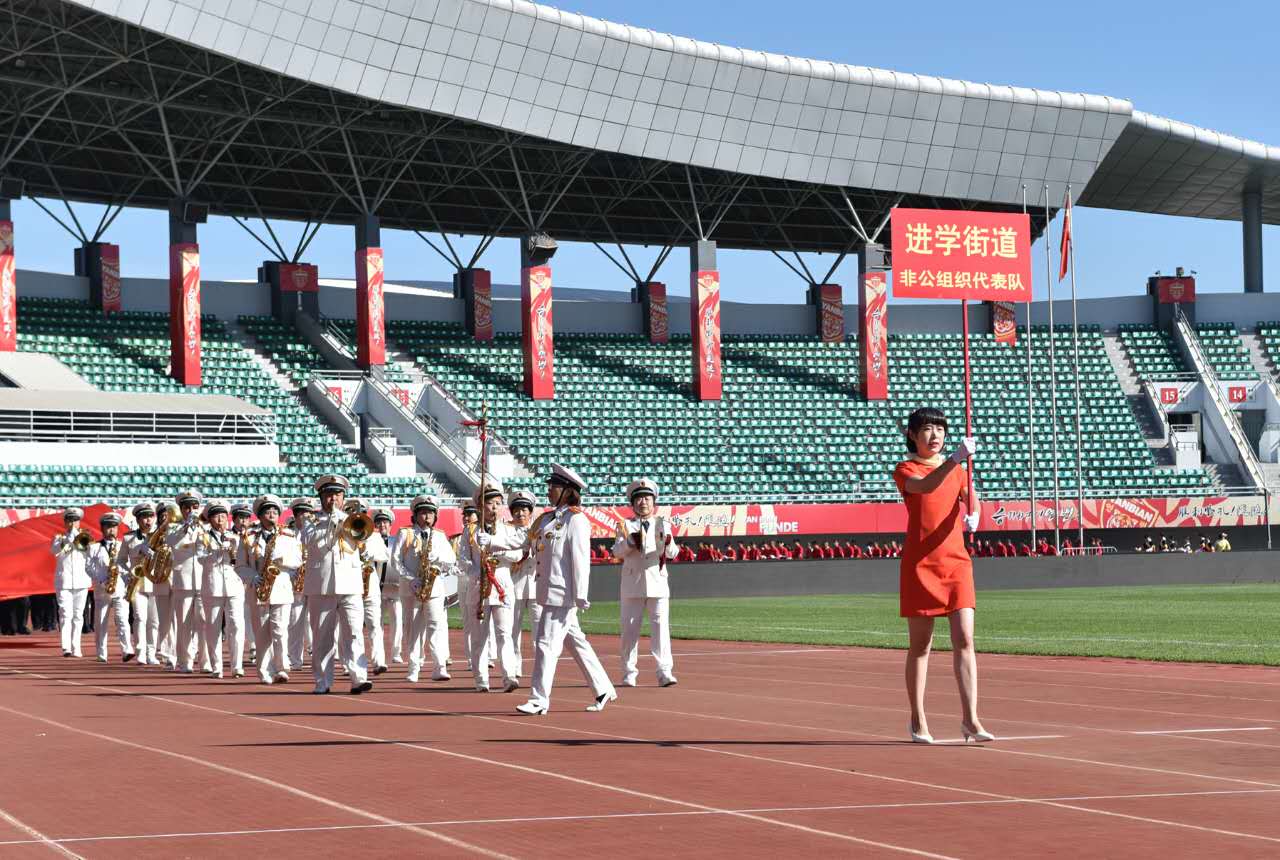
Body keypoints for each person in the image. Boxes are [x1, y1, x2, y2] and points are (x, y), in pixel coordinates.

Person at [893, 407, 993, 745]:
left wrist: (975, 513)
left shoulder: (959, 470)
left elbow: (972, 500)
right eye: (926, 429)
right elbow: (926, 486)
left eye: (939, 428)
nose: (934, 435)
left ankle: (971, 719)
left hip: (956, 563)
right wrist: (955, 459)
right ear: (912, 435)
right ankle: (918, 718)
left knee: (965, 639)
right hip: (921, 564)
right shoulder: (906, 469)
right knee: (921, 645)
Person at [516, 464, 617, 715]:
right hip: (548, 590)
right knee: (575, 642)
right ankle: (603, 688)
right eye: (550, 486)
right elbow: (523, 541)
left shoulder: (576, 520)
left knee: (545, 643)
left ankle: (539, 699)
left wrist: (580, 594)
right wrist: (492, 541)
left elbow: (580, 560)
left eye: (554, 486)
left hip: (562, 593)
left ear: (567, 491)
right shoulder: (547, 519)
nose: (549, 490)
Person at [301, 475, 387, 695]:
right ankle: (322, 681)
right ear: (321, 498)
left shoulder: (352, 519)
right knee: (322, 637)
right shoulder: (311, 522)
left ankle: (359, 678)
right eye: (329, 495)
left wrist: (348, 524)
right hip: (321, 586)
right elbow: (307, 542)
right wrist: (331, 522)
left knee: (354, 632)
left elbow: (366, 545)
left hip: (350, 584)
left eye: (337, 495)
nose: (333, 499)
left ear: (343, 498)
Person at [612, 478, 680, 688]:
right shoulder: (625, 525)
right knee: (629, 631)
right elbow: (617, 552)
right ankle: (628, 672)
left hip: (657, 583)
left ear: (654, 502)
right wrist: (629, 542)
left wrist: (668, 542)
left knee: (661, 630)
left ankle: (664, 671)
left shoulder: (663, 524)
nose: (643, 502)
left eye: (647, 498)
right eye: (639, 499)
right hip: (632, 584)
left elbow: (673, 553)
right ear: (633, 503)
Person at [237, 494, 302, 685]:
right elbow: (240, 565)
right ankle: (264, 670)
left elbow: (298, 560)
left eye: (275, 511)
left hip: (281, 587)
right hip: (259, 589)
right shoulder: (248, 537)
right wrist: (252, 576)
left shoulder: (288, 535)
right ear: (259, 515)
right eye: (267, 512)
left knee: (280, 629)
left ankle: (281, 667)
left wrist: (282, 560)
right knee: (262, 634)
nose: (272, 515)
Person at [465, 483, 522, 693]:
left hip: (502, 586)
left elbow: (517, 554)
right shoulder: (471, 530)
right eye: (490, 503)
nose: (495, 507)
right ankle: (481, 680)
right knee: (479, 637)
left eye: (498, 503)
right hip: (479, 586)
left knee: (504, 633)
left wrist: (496, 545)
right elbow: (463, 558)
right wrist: (475, 570)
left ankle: (509, 676)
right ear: (481, 506)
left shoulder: (509, 529)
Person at [399, 494, 459, 683]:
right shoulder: (405, 533)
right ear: (415, 515)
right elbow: (396, 561)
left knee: (436, 626)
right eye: (423, 513)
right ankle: (414, 667)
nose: (427, 517)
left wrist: (437, 560)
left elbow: (451, 559)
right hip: (411, 589)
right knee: (412, 629)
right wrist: (411, 579)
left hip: (433, 588)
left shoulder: (439, 535)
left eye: (431, 513)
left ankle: (439, 666)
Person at [198, 500, 244, 678]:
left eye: (223, 516)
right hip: (213, 586)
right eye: (216, 516)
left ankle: (237, 665)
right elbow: (201, 558)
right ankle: (216, 666)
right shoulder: (203, 537)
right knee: (213, 627)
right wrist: (217, 551)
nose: (220, 520)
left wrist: (234, 547)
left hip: (234, 585)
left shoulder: (236, 536)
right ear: (210, 519)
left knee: (236, 625)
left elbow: (243, 558)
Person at [87, 511, 134, 663]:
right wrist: (101, 579)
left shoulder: (122, 545)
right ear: (102, 528)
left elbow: (128, 566)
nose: (111, 530)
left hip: (120, 588)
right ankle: (101, 654)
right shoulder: (94, 547)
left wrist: (123, 574)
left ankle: (127, 650)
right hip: (102, 590)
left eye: (114, 527)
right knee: (101, 623)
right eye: (108, 527)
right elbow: (88, 567)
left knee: (122, 619)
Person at [51, 507, 92, 658]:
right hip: (64, 581)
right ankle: (66, 647)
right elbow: (55, 551)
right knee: (65, 613)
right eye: (69, 520)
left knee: (78, 615)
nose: (72, 523)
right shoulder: (59, 538)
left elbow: (90, 552)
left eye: (75, 520)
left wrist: (80, 538)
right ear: (65, 522)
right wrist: (68, 539)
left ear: (79, 522)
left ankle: (76, 647)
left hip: (81, 581)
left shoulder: (85, 536)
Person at [364, 507, 394, 676]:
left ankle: (379, 661)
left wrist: (367, 552)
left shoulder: (374, 536)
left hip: (370, 585)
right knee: (351, 628)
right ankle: (350, 664)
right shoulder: (342, 534)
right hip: (349, 586)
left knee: (375, 624)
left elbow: (383, 556)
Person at [286, 497, 315, 670]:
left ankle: (319, 657)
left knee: (317, 623)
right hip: (295, 584)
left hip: (315, 582)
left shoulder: (317, 532)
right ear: (296, 516)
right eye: (303, 515)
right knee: (295, 623)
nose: (307, 518)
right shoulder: (288, 535)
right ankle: (295, 659)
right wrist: (293, 573)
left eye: (309, 514)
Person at [231, 502, 257, 663]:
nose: (243, 521)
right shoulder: (228, 535)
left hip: (250, 579)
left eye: (246, 518)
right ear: (234, 519)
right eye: (240, 518)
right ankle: (238, 650)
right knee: (237, 618)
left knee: (250, 613)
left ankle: (254, 645)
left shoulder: (254, 535)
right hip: (232, 579)